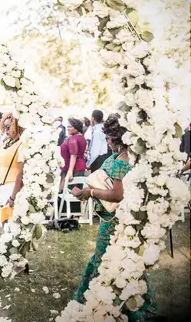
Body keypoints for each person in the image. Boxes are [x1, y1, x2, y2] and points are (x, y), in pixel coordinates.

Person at [71, 114, 159, 320]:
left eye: (109, 138)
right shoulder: (130, 157)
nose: (107, 142)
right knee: (122, 260)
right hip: (123, 218)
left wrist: (90, 193)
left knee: (104, 259)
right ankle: (129, 304)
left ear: (118, 139)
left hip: (114, 221)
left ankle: (98, 302)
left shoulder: (121, 162)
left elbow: (117, 194)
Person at [0, 112, 26, 212]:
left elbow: (20, 173)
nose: (6, 130)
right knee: (4, 219)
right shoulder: (6, 142)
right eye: (4, 127)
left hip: (13, 186)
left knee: (10, 220)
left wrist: (13, 196)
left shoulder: (21, 144)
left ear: (16, 127)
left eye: (8, 127)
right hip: (2, 184)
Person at [58, 118, 87, 213]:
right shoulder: (81, 137)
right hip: (79, 165)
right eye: (67, 126)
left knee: (72, 191)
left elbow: (73, 155)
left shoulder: (73, 139)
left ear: (76, 128)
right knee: (76, 190)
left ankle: (68, 213)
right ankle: (74, 214)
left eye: (70, 126)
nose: (67, 128)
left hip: (73, 167)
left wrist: (70, 171)